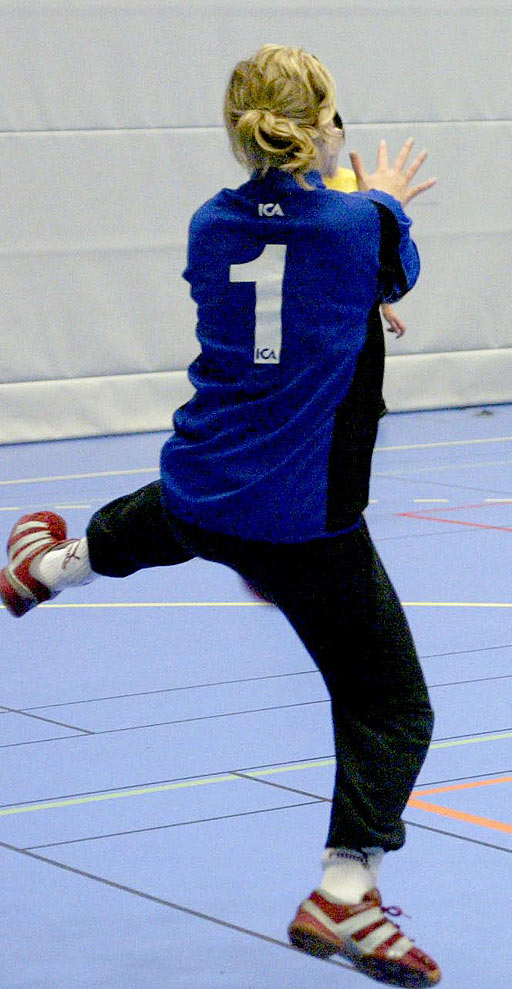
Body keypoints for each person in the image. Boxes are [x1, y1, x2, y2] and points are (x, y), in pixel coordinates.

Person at [0, 45, 441, 987]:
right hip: (305, 524)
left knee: (176, 514)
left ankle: (46, 569)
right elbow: (392, 264)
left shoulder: (208, 223)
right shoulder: (362, 222)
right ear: (322, 124)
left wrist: (351, 301)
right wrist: (389, 197)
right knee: (392, 707)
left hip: (206, 488)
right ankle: (347, 887)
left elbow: (279, 300)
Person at [324, 112, 408, 339]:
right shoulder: (301, 186)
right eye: (320, 130)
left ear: (341, 137)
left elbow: (375, 250)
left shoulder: (358, 182)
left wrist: (386, 306)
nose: (327, 137)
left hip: (358, 299)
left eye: (332, 130)